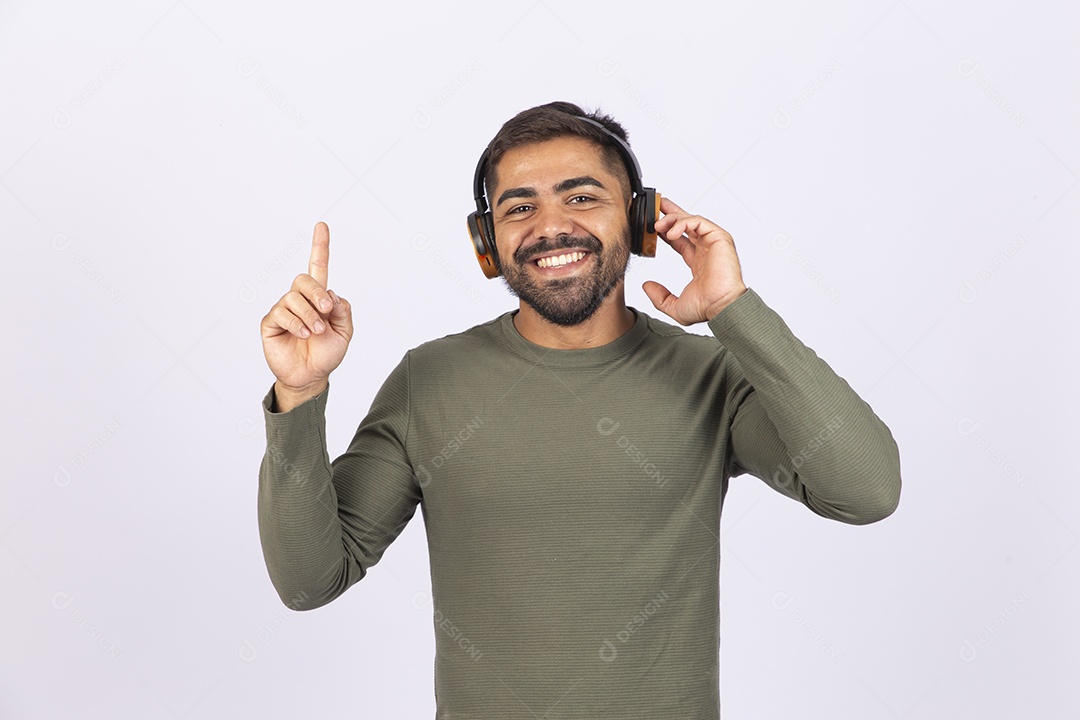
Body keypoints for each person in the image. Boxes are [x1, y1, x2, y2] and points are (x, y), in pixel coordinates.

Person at [257, 101, 901, 718]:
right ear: (487, 241)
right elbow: (310, 580)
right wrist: (301, 394)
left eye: (583, 197)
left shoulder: (711, 375)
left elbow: (865, 491)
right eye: (520, 208)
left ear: (641, 221)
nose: (550, 227)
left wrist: (735, 311)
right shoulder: (427, 381)